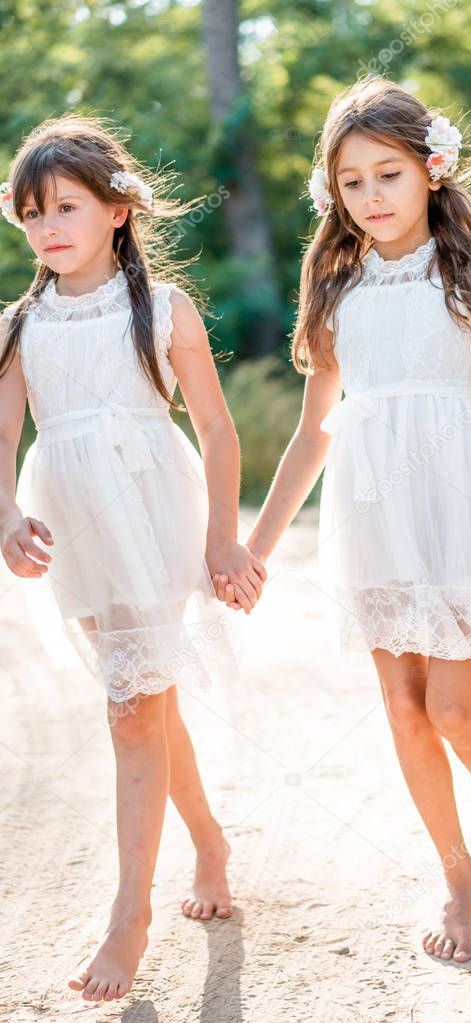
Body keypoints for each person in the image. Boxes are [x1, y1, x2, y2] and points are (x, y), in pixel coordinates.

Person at [215, 76, 471, 965]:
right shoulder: (335, 282)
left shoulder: (470, 270)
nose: (372, 197)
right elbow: (313, 433)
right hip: (371, 510)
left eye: (388, 174)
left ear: (432, 170)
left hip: (456, 508)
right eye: (351, 181)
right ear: (333, 193)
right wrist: (256, 546)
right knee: (401, 711)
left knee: (452, 706)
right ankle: (454, 870)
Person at [0, 114, 265, 1002]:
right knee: (145, 700)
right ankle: (211, 841)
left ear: (117, 210)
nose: (48, 227)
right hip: (72, 521)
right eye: (31, 212)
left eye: (66, 206)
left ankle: (130, 912)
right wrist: (4, 511)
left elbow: (219, 430)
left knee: (130, 709)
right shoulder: (19, 324)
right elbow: (3, 440)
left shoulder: (164, 309)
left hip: (153, 511)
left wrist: (225, 537)